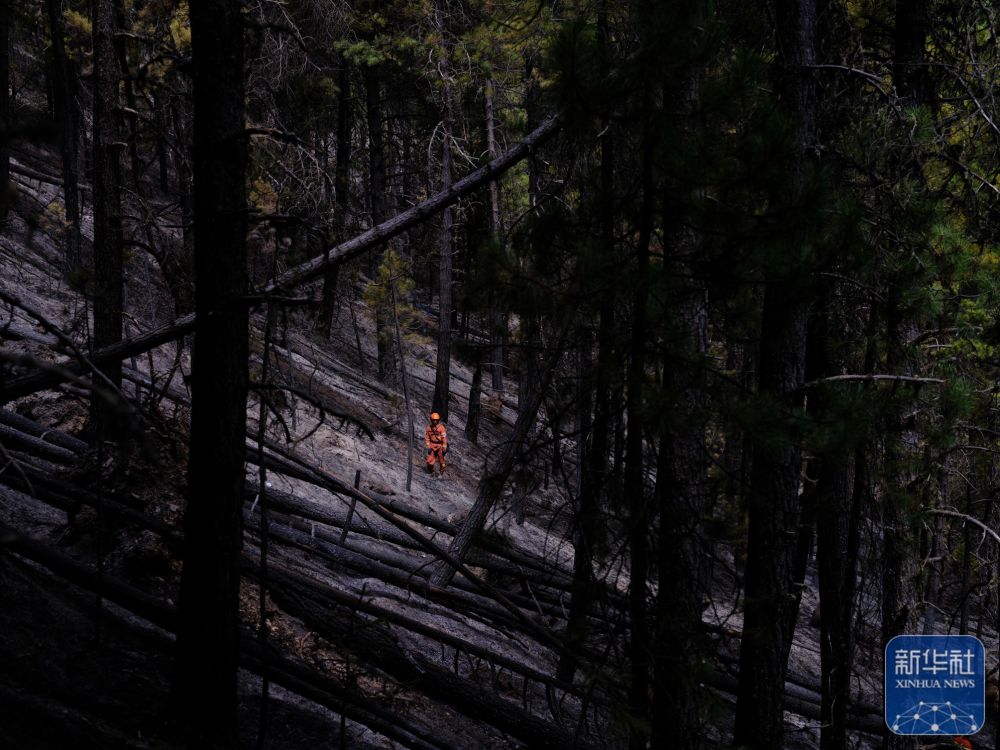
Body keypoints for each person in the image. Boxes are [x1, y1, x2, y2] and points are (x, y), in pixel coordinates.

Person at [425, 412, 447, 476]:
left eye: (436, 420)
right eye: (433, 420)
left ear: (438, 420)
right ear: (431, 420)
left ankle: (441, 472)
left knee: (441, 461)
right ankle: (431, 472)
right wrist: (428, 446)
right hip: (432, 446)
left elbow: (444, 438)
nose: (435, 421)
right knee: (429, 461)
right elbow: (427, 438)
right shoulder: (428, 428)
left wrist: (444, 447)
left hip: (440, 446)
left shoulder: (441, 428)